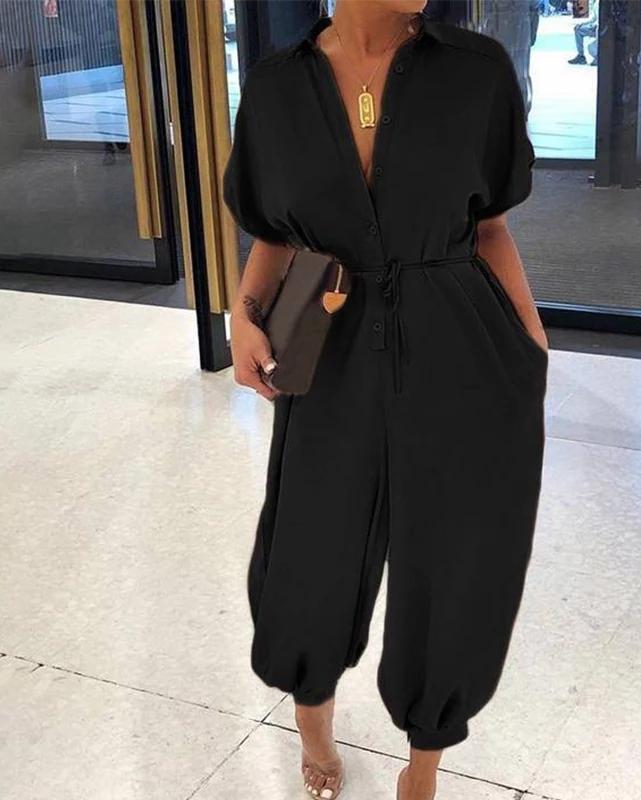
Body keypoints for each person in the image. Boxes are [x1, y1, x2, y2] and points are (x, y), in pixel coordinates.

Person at [223, 2, 548, 798]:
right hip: (330, 341)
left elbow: (490, 227)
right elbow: (276, 232)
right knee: (309, 552)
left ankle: (425, 765)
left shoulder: (477, 73)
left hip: (460, 342)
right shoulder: (276, 88)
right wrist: (243, 312)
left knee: (457, 559)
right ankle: (313, 722)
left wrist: (531, 347)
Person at [568, 0, 599, 65]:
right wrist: (581, 24)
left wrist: (593, 25)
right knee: (578, 30)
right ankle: (581, 56)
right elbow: (593, 18)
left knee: (591, 47)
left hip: (600, 28)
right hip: (594, 27)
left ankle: (598, 57)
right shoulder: (596, 2)